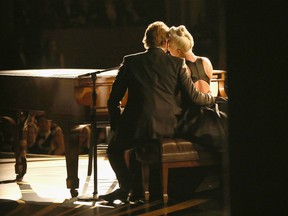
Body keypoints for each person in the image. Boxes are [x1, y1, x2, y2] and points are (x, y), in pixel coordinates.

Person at [98, 21, 215, 203]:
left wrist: (118, 124)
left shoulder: (130, 61)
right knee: (137, 148)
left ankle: (126, 187)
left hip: (136, 126)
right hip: (169, 127)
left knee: (114, 149)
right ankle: (140, 189)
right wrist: (212, 98)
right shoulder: (177, 63)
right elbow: (194, 98)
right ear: (166, 43)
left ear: (146, 41)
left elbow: (113, 100)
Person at [168, 25, 228, 152]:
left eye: (169, 50)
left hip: (194, 116)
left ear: (178, 52)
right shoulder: (206, 61)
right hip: (211, 107)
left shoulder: (181, 68)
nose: (168, 53)